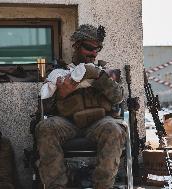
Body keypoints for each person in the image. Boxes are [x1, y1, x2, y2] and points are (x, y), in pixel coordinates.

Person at [35, 24, 127, 189]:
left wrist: (99, 76)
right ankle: (57, 186)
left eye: (97, 49)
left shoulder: (104, 73)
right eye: (89, 48)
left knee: (114, 129)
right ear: (76, 46)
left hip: (98, 124)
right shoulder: (60, 72)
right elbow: (46, 106)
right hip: (68, 123)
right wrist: (61, 92)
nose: (93, 53)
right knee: (45, 127)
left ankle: (102, 186)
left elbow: (118, 97)